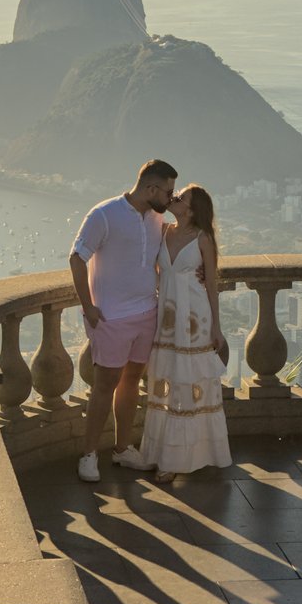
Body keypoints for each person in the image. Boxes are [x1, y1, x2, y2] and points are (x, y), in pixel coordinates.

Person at [69, 159, 178, 483]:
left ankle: (122, 449)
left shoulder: (157, 218)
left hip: (147, 313)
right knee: (104, 386)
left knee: (131, 383)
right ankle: (88, 455)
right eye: (168, 191)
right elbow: (77, 258)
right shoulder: (104, 214)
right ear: (151, 188)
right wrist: (88, 307)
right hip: (112, 317)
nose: (171, 198)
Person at [139, 183, 231, 483]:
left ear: (191, 210)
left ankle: (181, 458)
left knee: (189, 383)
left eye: (181, 198)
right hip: (166, 318)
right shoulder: (163, 231)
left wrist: (217, 326)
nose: (175, 199)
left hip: (195, 320)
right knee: (166, 383)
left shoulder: (203, 239)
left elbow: (213, 285)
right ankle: (161, 453)